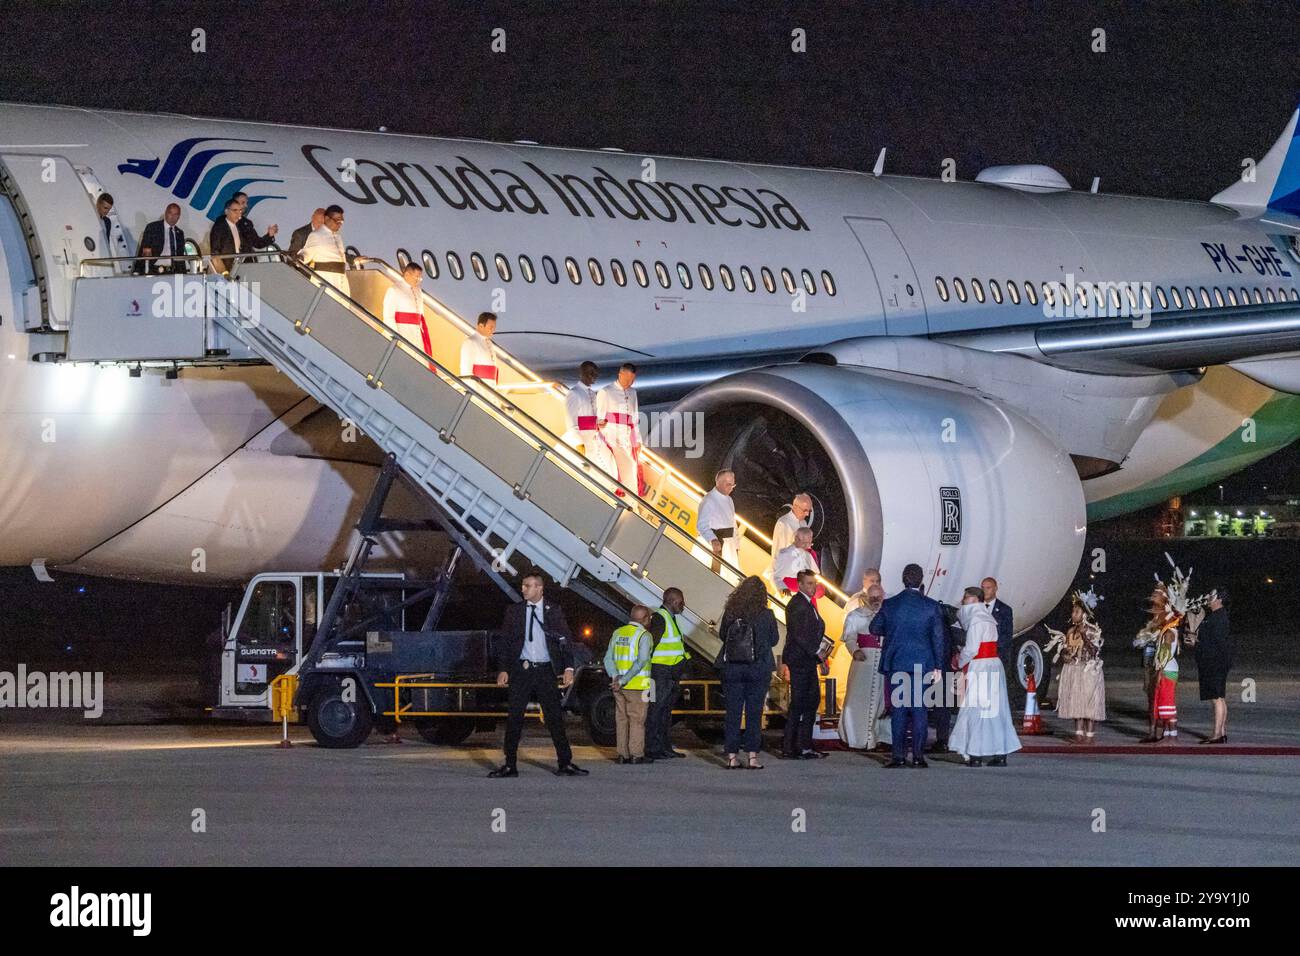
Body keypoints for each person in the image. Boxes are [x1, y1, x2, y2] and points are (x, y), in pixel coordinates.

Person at [488, 572, 588, 777]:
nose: (523, 589)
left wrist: (568, 668)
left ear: (540, 588)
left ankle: (565, 762)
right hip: (522, 670)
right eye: (523, 586)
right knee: (514, 716)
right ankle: (510, 764)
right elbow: (505, 643)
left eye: (528, 586)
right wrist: (504, 669)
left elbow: (565, 640)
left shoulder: (553, 611)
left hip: (545, 670)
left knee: (554, 718)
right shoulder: (514, 611)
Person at [869, 563, 947, 768]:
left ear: (903, 579)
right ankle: (919, 757)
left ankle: (898, 756)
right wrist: (938, 666)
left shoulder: (890, 604)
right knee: (920, 710)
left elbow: (874, 628)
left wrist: (893, 631)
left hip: (897, 662)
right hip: (922, 663)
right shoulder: (931, 606)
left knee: (899, 710)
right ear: (921, 580)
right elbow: (939, 638)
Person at [949, 586, 1022, 767]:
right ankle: (1000, 752)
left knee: (975, 709)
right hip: (993, 665)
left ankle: (975, 753)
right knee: (996, 710)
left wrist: (960, 661)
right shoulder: (988, 618)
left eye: (965, 598)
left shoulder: (975, 620)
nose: (962, 601)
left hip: (980, 666)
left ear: (974, 600)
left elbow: (972, 648)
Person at [716, 575, 779, 770]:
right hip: (758, 669)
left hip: (733, 669)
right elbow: (774, 640)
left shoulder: (730, 612)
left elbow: (722, 636)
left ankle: (732, 757)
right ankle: (752, 757)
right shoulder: (766, 615)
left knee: (733, 713)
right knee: (754, 712)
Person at [781, 569, 830, 759]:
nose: (813, 587)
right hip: (800, 660)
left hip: (806, 660)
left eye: (814, 583)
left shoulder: (806, 604)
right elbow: (800, 634)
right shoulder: (798, 604)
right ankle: (795, 746)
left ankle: (802, 745)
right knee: (802, 703)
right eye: (809, 583)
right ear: (800, 585)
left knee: (809, 702)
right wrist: (817, 652)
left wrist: (819, 656)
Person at [1046, 588, 1106, 743]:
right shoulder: (1070, 631)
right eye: (1073, 612)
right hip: (1074, 669)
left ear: (1084, 615)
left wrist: (1085, 637)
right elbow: (1066, 649)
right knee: (1076, 701)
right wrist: (1065, 655)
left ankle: (1090, 736)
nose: (1073, 615)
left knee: (1089, 701)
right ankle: (1079, 733)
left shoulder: (1093, 631)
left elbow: (1094, 651)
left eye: (1077, 612)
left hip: (1089, 670)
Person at [838, 583, 887, 749]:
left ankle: (874, 738)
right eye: (872, 597)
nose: (875, 600)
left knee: (879, 702)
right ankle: (855, 737)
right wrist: (855, 651)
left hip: (881, 663)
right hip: (862, 664)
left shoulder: (887, 615)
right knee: (857, 700)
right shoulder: (855, 615)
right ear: (866, 597)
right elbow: (850, 638)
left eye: (878, 597)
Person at [603, 605, 654, 764]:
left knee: (621, 719)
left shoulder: (618, 632)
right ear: (645, 618)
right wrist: (624, 680)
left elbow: (607, 659)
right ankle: (636, 755)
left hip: (617, 686)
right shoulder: (644, 635)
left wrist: (616, 678)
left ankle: (622, 754)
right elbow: (642, 661)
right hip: (639, 685)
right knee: (637, 721)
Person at [645, 587, 689, 760]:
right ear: (672, 601)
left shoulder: (671, 618)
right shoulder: (660, 619)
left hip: (669, 674)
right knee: (655, 711)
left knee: (665, 712)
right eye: (681, 602)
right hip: (659, 673)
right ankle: (652, 748)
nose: (683, 606)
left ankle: (664, 747)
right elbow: (650, 645)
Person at [562, 361, 617, 478]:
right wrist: (579, 444)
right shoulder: (574, 393)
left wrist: (600, 423)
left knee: (608, 467)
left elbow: (593, 418)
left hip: (593, 439)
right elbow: (571, 422)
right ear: (582, 373)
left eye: (596, 374)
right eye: (591, 373)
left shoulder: (592, 394)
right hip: (580, 442)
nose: (594, 376)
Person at [1191, 587, 1232, 744]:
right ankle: (1221, 732)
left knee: (1216, 698)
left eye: (1212, 595)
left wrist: (1198, 643)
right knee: (1220, 697)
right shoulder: (1217, 616)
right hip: (1217, 662)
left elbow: (1217, 643)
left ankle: (1217, 735)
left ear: (1219, 599)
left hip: (1214, 662)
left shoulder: (1218, 617)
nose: (1208, 597)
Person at [597, 362, 643, 495]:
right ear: (620, 374)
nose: (629, 382)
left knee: (631, 469)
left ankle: (631, 499)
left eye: (632, 380)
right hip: (612, 436)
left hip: (627, 437)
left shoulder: (633, 392)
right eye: (627, 379)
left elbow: (634, 417)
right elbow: (599, 418)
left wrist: (638, 440)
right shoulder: (606, 391)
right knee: (625, 469)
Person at [382, 261, 435, 369]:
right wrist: (395, 336)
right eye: (416, 277)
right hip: (402, 331)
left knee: (421, 364)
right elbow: (388, 316)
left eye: (420, 278)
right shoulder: (394, 290)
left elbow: (420, 314)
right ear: (407, 274)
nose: (418, 281)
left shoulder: (418, 291)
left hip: (417, 333)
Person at [299, 204, 351, 294]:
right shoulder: (316, 235)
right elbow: (307, 253)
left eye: (341, 222)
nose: (340, 224)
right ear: (327, 219)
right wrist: (300, 257)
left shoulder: (338, 236)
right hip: (325, 280)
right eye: (337, 221)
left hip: (341, 279)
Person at [696, 469, 738, 574]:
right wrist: (713, 540)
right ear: (719, 482)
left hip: (728, 547)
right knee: (706, 574)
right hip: (713, 545)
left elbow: (733, 524)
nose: (731, 488)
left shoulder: (729, 500)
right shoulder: (709, 499)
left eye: (733, 485)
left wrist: (736, 545)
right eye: (729, 484)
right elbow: (701, 525)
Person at [133, 203, 187, 274]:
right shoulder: (153, 227)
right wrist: (137, 271)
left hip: (174, 272)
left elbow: (180, 257)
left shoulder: (180, 233)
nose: (172, 217)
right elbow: (144, 251)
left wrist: (184, 273)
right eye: (170, 213)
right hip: (154, 270)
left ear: (179, 217)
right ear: (165, 213)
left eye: (176, 214)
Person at [773, 527, 824, 602]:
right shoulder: (785, 553)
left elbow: (814, 573)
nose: (807, 545)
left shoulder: (810, 555)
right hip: (786, 594)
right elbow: (777, 576)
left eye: (809, 543)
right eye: (804, 543)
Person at [768, 494, 812, 579]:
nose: (807, 514)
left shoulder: (804, 523)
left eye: (809, 511)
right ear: (795, 506)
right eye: (805, 510)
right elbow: (778, 554)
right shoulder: (783, 523)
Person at [982, 577, 1015, 676]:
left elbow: (1007, 636)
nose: (985, 591)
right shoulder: (976, 608)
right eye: (983, 588)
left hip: (997, 657)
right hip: (978, 659)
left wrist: (990, 650)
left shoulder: (1005, 610)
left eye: (988, 588)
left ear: (995, 589)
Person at [459, 311, 500, 384]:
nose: (493, 330)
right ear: (481, 326)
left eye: (494, 328)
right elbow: (466, 371)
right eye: (491, 327)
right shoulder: (470, 342)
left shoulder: (490, 343)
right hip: (477, 388)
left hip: (490, 387)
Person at [208, 198, 244, 275]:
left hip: (236, 269)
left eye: (240, 210)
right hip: (222, 271)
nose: (238, 214)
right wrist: (224, 273)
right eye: (235, 210)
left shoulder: (239, 226)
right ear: (226, 211)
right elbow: (215, 252)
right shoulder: (219, 226)